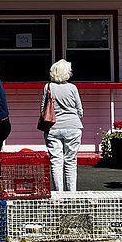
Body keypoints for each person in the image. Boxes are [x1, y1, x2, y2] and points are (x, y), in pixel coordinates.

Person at [40, 59, 84, 192]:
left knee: (56, 161)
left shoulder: (48, 87)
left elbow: (43, 109)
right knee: (70, 161)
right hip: (73, 127)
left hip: (53, 127)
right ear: (65, 73)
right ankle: (72, 195)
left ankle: (58, 194)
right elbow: (80, 111)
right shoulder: (73, 88)